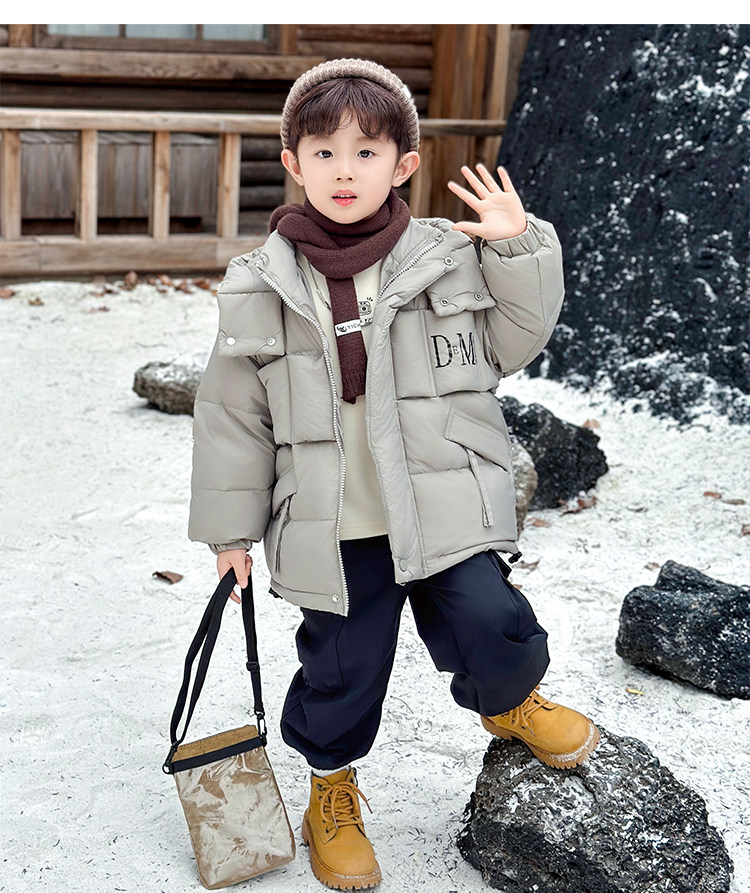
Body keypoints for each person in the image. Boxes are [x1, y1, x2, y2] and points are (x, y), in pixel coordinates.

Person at [189, 58, 599, 891]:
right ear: (294, 162)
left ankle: (511, 701)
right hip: (335, 521)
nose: (345, 171)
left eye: (367, 152)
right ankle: (331, 788)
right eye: (325, 152)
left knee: (489, 614)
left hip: (443, 497)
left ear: (404, 164)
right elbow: (232, 416)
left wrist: (517, 245)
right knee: (340, 665)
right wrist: (230, 534)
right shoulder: (261, 283)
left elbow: (514, 339)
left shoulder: (447, 257)